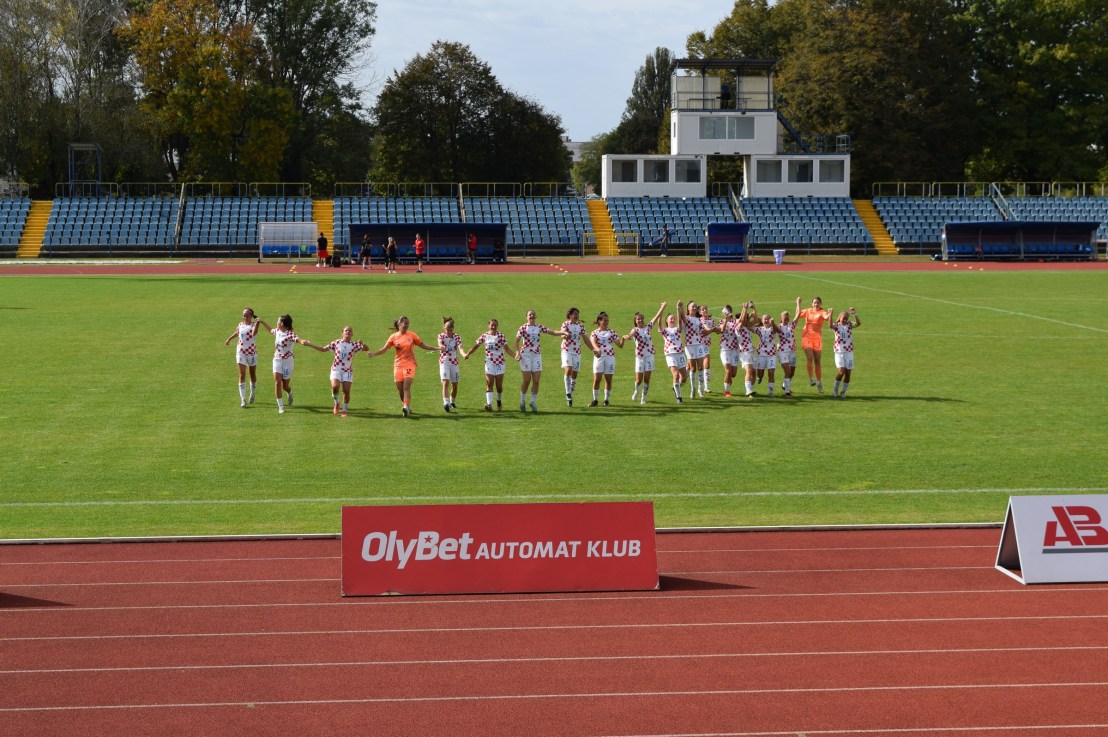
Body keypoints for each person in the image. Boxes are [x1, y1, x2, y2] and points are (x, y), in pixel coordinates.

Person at [367, 316, 441, 417]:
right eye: (405, 323)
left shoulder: (412, 335)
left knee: (406, 386)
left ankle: (406, 407)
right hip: (398, 365)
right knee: (400, 389)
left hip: (410, 363)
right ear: (399, 324)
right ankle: (406, 406)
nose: (407, 325)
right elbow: (385, 349)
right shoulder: (393, 337)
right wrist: (374, 353)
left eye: (408, 323)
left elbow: (423, 345)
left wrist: (437, 348)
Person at [268, 314, 320, 414]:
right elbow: (270, 330)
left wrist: (303, 342)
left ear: (282, 323)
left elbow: (298, 339)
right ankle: (281, 407)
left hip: (288, 361)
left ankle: (289, 392)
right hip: (277, 359)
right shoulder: (277, 331)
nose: (277, 323)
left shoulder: (290, 334)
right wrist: (261, 321)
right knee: (277, 383)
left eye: (278, 321)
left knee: (285, 385)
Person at [464, 318, 516, 411]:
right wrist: (468, 354)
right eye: (492, 325)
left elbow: (507, 349)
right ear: (489, 326)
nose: (493, 327)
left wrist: (515, 356)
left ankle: (499, 401)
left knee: (499, 386)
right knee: (489, 383)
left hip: (500, 362)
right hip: (489, 362)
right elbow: (476, 346)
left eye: (495, 325)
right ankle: (489, 404)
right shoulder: (484, 336)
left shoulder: (500, 336)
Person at [317, 326, 369, 417]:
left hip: (347, 371)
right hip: (336, 369)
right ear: (342, 333)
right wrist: (310, 344)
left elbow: (366, 349)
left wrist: (363, 343)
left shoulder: (354, 345)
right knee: (335, 386)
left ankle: (344, 410)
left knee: (346, 391)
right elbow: (323, 349)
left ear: (352, 334)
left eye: (350, 331)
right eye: (346, 331)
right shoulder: (336, 343)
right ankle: (336, 403)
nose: (348, 332)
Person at [514, 310, 558, 413]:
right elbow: (516, 341)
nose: (532, 316)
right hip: (525, 355)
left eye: (533, 314)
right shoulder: (523, 328)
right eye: (530, 315)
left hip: (536, 355)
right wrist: (517, 352)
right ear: (526, 317)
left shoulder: (539, 327)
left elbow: (553, 332)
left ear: (536, 316)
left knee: (536, 380)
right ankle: (522, 400)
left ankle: (533, 402)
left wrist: (563, 332)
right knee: (526, 380)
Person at [624, 302, 666, 405]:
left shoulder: (648, 328)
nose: (640, 320)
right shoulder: (635, 330)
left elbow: (656, 317)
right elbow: (631, 334)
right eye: (638, 319)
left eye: (641, 318)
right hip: (640, 357)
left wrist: (662, 307)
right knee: (639, 380)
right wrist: (628, 337)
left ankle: (643, 397)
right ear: (635, 321)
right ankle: (636, 391)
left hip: (650, 356)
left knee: (647, 379)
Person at [224, 307, 261, 407]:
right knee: (241, 375)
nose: (245, 317)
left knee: (252, 374)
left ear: (251, 316)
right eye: (244, 315)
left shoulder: (254, 325)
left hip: (252, 352)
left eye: (247, 315)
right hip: (241, 352)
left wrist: (258, 323)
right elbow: (237, 332)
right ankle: (243, 399)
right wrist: (229, 339)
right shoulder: (240, 324)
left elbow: (254, 333)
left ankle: (252, 393)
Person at [797, 296, 834, 393]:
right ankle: (811, 378)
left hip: (817, 339)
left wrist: (830, 314)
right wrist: (798, 303)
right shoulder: (808, 311)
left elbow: (826, 318)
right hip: (806, 337)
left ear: (820, 304)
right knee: (810, 357)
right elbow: (798, 314)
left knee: (817, 361)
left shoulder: (822, 312)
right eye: (814, 302)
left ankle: (819, 382)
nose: (816, 304)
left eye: (817, 303)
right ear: (812, 303)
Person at [589, 311, 624, 407]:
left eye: (607, 321)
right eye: (604, 321)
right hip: (599, 358)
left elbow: (619, 345)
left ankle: (606, 400)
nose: (606, 323)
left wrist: (623, 339)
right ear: (599, 321)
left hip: (610, 357)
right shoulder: (594, 333)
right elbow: (593, 342)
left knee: (608, 380)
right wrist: (597, 349)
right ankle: (595, 400)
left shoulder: (611, 332)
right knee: (597, 379)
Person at [558, 307, 591, 407]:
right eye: (574, 314)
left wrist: (594, 350)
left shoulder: (580, 326)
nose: (576, 316)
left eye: (577, 314)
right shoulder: (566, 324)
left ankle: (571, 393)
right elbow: (562, 334)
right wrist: (565, 335)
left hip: (577, 351)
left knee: (575, 374)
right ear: (570, 315)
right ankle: (568, 393)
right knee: (568, 370)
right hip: (566, 350)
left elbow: (586, 339)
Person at [706, 304, 739, 397]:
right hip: (725, 349)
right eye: (724, 311)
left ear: (730, 311)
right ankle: (727, 391)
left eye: (727, 311)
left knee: (733, 374)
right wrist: (725, 320)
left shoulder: (735, 322)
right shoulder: (721, 321)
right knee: (728, 371)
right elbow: (722, 330)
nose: (725, 313)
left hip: (734, 350)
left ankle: (728, 381)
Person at [659, 301, 688, 403]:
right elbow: (659, 323)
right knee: (675, 375)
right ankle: (679, 397)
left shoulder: (677, 329)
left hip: (680, 353)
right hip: (670, 354)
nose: (673, 319)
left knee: (684, 378)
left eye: (673, 318)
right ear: (666, 321)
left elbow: (680, 321)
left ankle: (676, 387)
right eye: (670, 318)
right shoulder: (665, 330)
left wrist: (678, 308)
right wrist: (662, 308)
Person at [831, 307, 861, 398]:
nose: (844, 320)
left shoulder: (849, 324)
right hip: (839, 351)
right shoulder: (836, 325)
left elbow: (858, 324)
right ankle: (835, 390)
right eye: (843, 318)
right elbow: (829, 325)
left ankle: (843, 392)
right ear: (839, 317)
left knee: (848, 373)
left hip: (849, 352)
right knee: (841, 372)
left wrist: (854, 314)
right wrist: (830, 314)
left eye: (846, 318)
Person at [437, 316, 463, 412]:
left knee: (455, 385)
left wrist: (464, 354)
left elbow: (460, 348)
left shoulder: (457, 337)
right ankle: (446, 403)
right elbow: (440, 344)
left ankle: (452, 401)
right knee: (445, 382)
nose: (448, 332)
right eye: (447, 330)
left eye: (450, 330)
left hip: (454, 363)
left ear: (453, 329)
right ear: (445, 329)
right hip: (444, 362)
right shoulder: (441, 336)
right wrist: (442, 346)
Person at [753, 313, 781, 398]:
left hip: (771, 354)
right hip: (761, 354)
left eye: (767, 319)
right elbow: (749, 327)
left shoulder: (773, 329)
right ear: (762, 321)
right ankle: (759, 377)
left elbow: (778, 330)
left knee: (771, 373)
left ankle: (770, 391)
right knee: (760, 373)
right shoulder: (759, 329)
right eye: (764, 319)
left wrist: (773, 323)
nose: (766, 320)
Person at [777, 302, 800, 398]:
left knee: (792, 372)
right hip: (783, 352)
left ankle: (784, 385)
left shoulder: (792, 325)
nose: (786, 320)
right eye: (784, 318)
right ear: (781, 319)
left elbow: (798, 314)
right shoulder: (778, 327)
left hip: (792, 352)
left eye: (787, 318)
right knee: (787, 371)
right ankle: (787, 392)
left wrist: (798, 303)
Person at [698, 304, 716, 394]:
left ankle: (706, 387)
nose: (705, 310)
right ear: (700, 312)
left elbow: (716, 330)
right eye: (702, 309)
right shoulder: (700, 320)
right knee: (694, 366)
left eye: (705, 309)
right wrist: (713, 329)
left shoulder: (711, 320)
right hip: (699, 344)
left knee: (707, 364)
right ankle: (683, 379)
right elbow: (706, 330)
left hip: (706, 345)